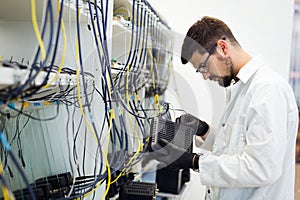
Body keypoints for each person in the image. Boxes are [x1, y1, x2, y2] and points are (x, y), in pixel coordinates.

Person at [151, 16, 299, 200]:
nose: (205, 77)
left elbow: (262, 168)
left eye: (203, 67)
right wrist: (204, 130)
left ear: (222, 47)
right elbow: (237, 147)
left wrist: (195, 161)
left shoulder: (267, 90)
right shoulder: (241, 87)